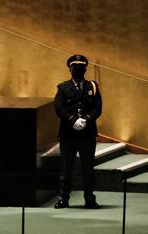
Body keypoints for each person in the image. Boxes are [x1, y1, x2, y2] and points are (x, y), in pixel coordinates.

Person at [54, 54, 102, 209]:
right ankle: (63, 199)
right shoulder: (63, 88)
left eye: (81, 67)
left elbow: (97, 108)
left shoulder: (92, 87)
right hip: (69, 134)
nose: (78, 69)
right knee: (66, 168)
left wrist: (86, 120)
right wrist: (73, 120)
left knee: (88, 168)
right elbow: (59, 108)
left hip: (87, 134)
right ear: (70, 69)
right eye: (75, 67)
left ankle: (89, 199)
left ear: (85, 69)